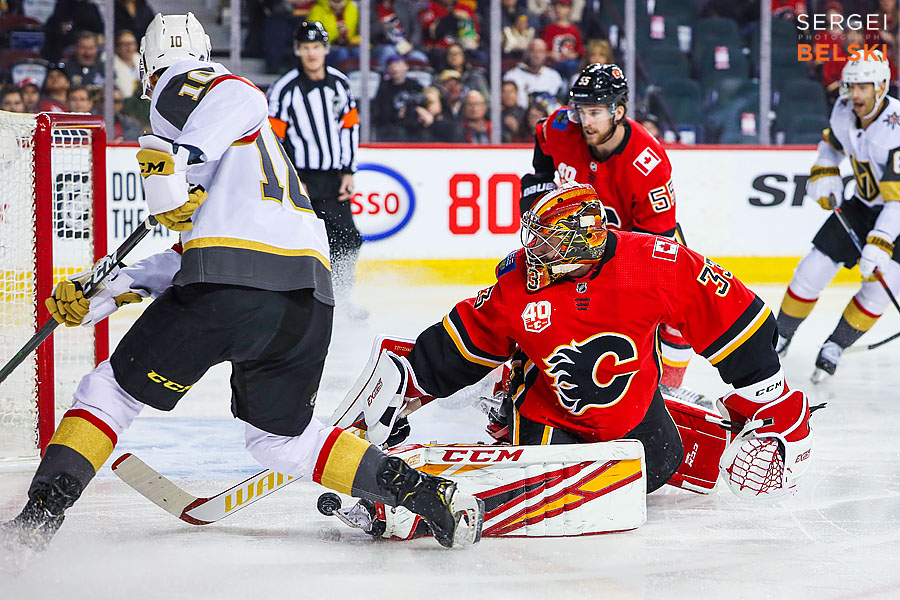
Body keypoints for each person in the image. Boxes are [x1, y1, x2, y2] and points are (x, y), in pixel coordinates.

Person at [0, 12, 481, 552]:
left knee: (110, 392)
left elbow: (241, 95)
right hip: (305, 301)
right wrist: (105, 294)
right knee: (281, 440)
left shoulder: (183, 92)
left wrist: (180, 157)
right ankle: (426, 495)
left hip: (226, 289)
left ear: (149, 65)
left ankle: (36, 524)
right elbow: (185, 258)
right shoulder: (240, 164)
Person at [365, 183, 815, 498]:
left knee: (661, 464)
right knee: (535, 488)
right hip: (548, 412)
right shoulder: (519, 285)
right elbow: (471, 334)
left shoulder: (654, 264)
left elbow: (728, 310)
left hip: (634, 410)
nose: (533, 253)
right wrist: (414, 387)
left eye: (548, 244)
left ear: (582, 244)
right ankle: (503, 392)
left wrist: (767, 395)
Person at [519, 63, 699, 403]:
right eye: (582, 110)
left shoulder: (648, 162)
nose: (586, 121)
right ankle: (515, 382)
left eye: (596, 112)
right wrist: (537, 194)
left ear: (618, 111)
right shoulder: (561, 126)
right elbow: (542, 154)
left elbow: (656, 243)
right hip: (572, 244)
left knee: (677, 308)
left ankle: (667, 392)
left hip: (633, 247)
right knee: (534, 301)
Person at [775, 51, 900, 382]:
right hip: (861, 205)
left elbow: (897, 202)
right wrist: (826, 169)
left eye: (863, 87)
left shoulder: (898, 128)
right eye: (851, 86)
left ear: (882, 86)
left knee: (879, 288)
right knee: (811, 269)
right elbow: (831, 144)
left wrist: (881, 242)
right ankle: (780, 336)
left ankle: (835, 347)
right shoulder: (845, 108)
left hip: (898, 213)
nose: (855, 95)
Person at [268, 21, 367, 319]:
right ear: (298, 50)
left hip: (334, 177)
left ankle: (340, 297)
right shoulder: (285, 89)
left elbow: (349, 127)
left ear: (325, 49)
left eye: (317, 47)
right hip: (302, 179)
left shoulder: (339, 83)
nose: (312, 53)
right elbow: (275, 141)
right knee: (301, 244)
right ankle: (301, 304)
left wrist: (348, 171)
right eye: (306, 47)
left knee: (348, 239)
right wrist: (293, 180)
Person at [371, 54, 426, 142]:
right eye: (391, 65)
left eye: (397, 63)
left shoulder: (415, 86)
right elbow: (381, 115)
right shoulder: (384, 88)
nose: (394, 67)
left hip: (413, 127)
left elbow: (422, 104)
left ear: (406, 66)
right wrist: (398, 116)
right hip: (392, 129)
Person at [503, 39, 564, 109]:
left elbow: (560, 103)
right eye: (533, 51)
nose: (536, 55)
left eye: (540, 51)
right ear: (527, 53)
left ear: (546, 54)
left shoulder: (554, 76)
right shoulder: (512, 76)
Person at [114, 29, 142, 99]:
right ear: (117, 47)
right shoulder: (112, 66)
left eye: (131, 43)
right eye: (124, 44)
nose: (128, 47)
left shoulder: (141, 61)